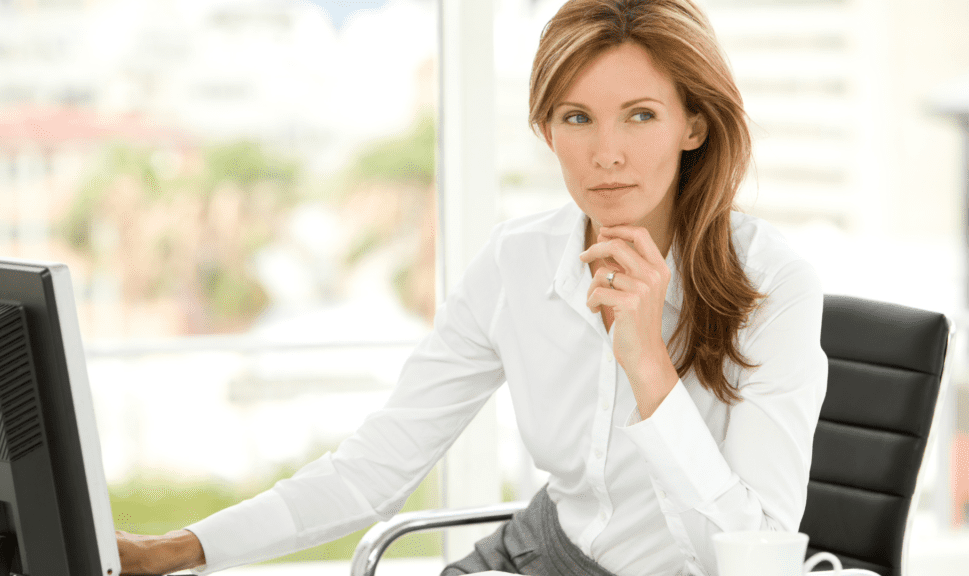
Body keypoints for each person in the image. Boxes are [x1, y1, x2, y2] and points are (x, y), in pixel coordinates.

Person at [116, 0, 828, 574]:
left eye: (640, 115)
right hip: (538, 552)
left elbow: (749, 562)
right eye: (576, 117)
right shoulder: (517, 263)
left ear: (694, 124)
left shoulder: (776, 287)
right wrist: (173, 550)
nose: (606, 153)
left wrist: (649, 366)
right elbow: (375, 466)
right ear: (547, 131)